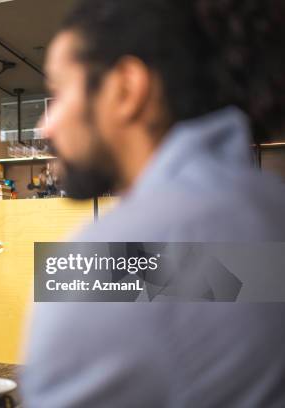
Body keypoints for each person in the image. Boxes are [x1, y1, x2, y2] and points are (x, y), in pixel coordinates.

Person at [22, 0, 285, 407]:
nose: (46, 125)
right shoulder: (268, 207)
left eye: (57, 92)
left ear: (126, 88)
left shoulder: (95, 269)